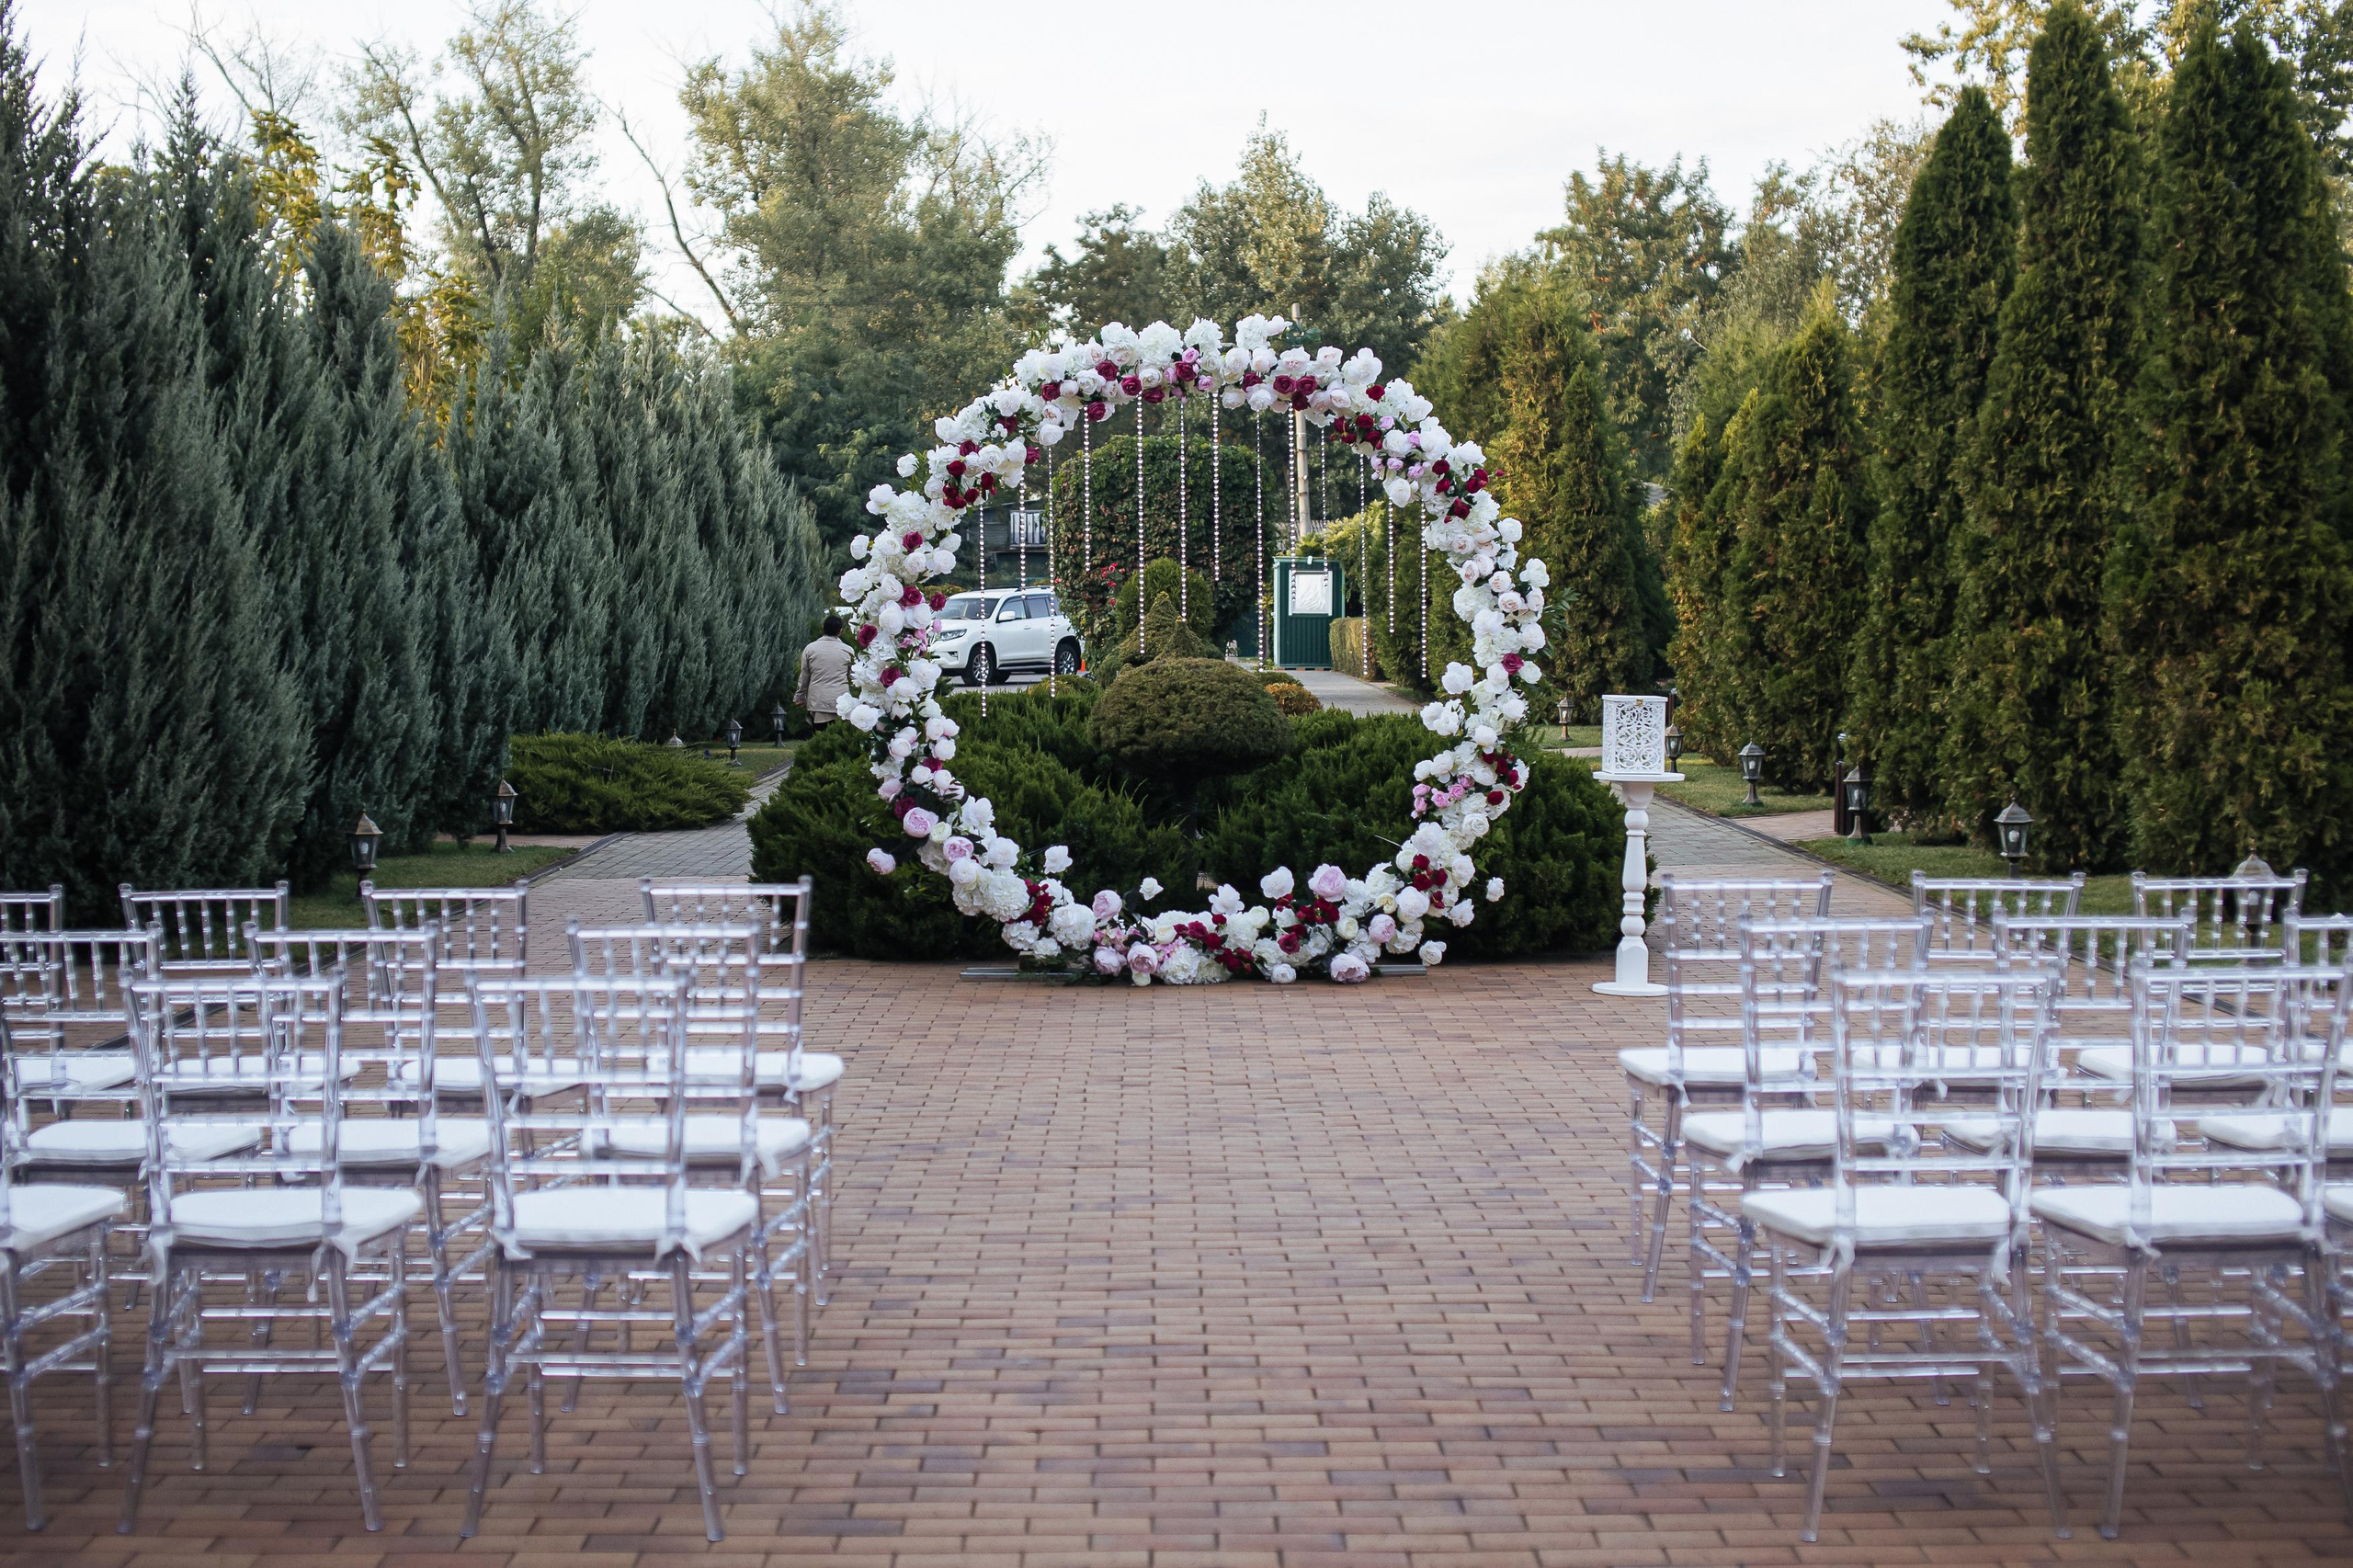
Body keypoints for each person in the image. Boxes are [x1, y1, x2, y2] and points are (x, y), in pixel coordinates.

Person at [795, 614, 854, 726]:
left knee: (820, 736)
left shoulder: (810, 648)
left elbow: (804, 676)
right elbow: (854, 677)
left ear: (823, 628)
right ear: (840, 631)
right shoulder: (848, 651)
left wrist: (800, 696)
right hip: (841, 701)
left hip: (818, 700)